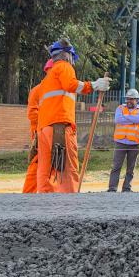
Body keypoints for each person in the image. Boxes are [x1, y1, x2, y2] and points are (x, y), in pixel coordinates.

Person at [35, 39, 110, 193]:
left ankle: (44, 202)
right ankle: (71, 203)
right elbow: (71, 84)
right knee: (68, 169)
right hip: (60, 128)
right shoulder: (64, 66)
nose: (72, 61)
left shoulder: (46, 80)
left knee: (46, 171)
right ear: (67, 55)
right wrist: (93, 85)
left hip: (44, 130)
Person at [23, 59, 53, 193]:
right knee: (38, 164)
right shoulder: (37, 90)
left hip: (54, 133)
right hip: (40, 134)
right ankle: (28, 193)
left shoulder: (57, 91)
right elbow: (32, 114)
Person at [108, 89, 139, 192]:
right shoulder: (120, 108)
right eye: (127, 99)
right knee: (116, 166)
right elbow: (118, 120)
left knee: (131, 168)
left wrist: (126, 117)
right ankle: (112, 188)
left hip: (134, 143)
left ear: (136, 100)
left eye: (131, 99)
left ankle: (127, 188)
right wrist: (132, 119)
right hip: (120, 142)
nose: (128, 101)